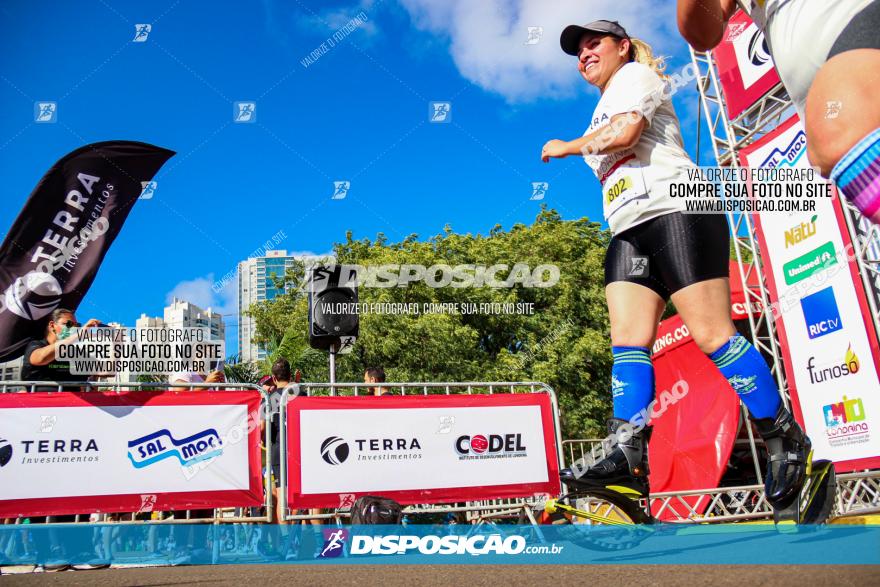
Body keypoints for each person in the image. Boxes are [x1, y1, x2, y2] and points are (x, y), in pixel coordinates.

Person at [542, 20, 811, 515]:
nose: (583, 54)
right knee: (627, 340)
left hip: (681, 208)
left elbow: (627, 133)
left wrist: (570, 146)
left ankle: (783, 435)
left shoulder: (637, 77)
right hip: (628, 227)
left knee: (711, 335)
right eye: (577, 50)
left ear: (622, 47)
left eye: (592, 43)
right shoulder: (602, 103)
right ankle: (628, 454)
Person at [677, 0, 880, 224]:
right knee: (830, 147)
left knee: (836, 136)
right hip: (806, 76)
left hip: (853, 14)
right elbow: (703, 33)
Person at [21, 308, 99, 390]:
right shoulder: (37, 345)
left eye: (76, 326)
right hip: (42, 401)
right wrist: (77, 335)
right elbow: (40, 359)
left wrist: (112, 342)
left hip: (73, 402)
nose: (74, 329)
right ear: (52, 325)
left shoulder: (76, 353)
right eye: (69, 324)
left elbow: (102, 370)